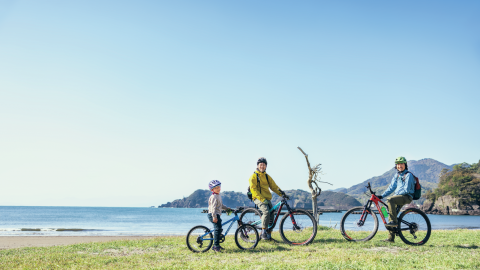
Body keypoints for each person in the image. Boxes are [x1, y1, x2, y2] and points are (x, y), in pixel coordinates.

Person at [377, 156, 415, 243]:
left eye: (401, 164)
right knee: (391, 214)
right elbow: (391, 188)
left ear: (405, 165)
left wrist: (394, 196)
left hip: (407, 196)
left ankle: (394, 222)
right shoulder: (397, 175)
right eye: (398, 164)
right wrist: (382, 196)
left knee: (390, 200)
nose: (399, 166)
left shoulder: (408, 175)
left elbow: (406, 189)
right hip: (399, 197)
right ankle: (390, 239)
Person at [249, 157, 287, 240]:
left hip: (267, 198)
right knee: (266, 212)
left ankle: (268, 236)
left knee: (272, 215)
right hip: (258, 198)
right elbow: (254, 190)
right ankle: (263, 233)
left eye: (264, 165)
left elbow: (274, 187)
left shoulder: (267, 176)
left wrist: (282, 194)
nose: (262, 166)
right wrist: (262, 199)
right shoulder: (253, 176)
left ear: (266, 166)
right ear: (258, 166)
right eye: (261, 165)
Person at [207, 180, 232, 252]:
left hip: (217, 214)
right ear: (212, 189)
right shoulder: (214, 196)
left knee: (219, 228)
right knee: (217, 229)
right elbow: (213, 207)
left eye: (219, 187)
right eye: (216, 188)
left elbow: (220, 205)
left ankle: (217, 243)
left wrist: (227, 208)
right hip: (213, 214)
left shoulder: (218, 195)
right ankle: (215, 246)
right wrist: (214, 216)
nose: (218, 189)